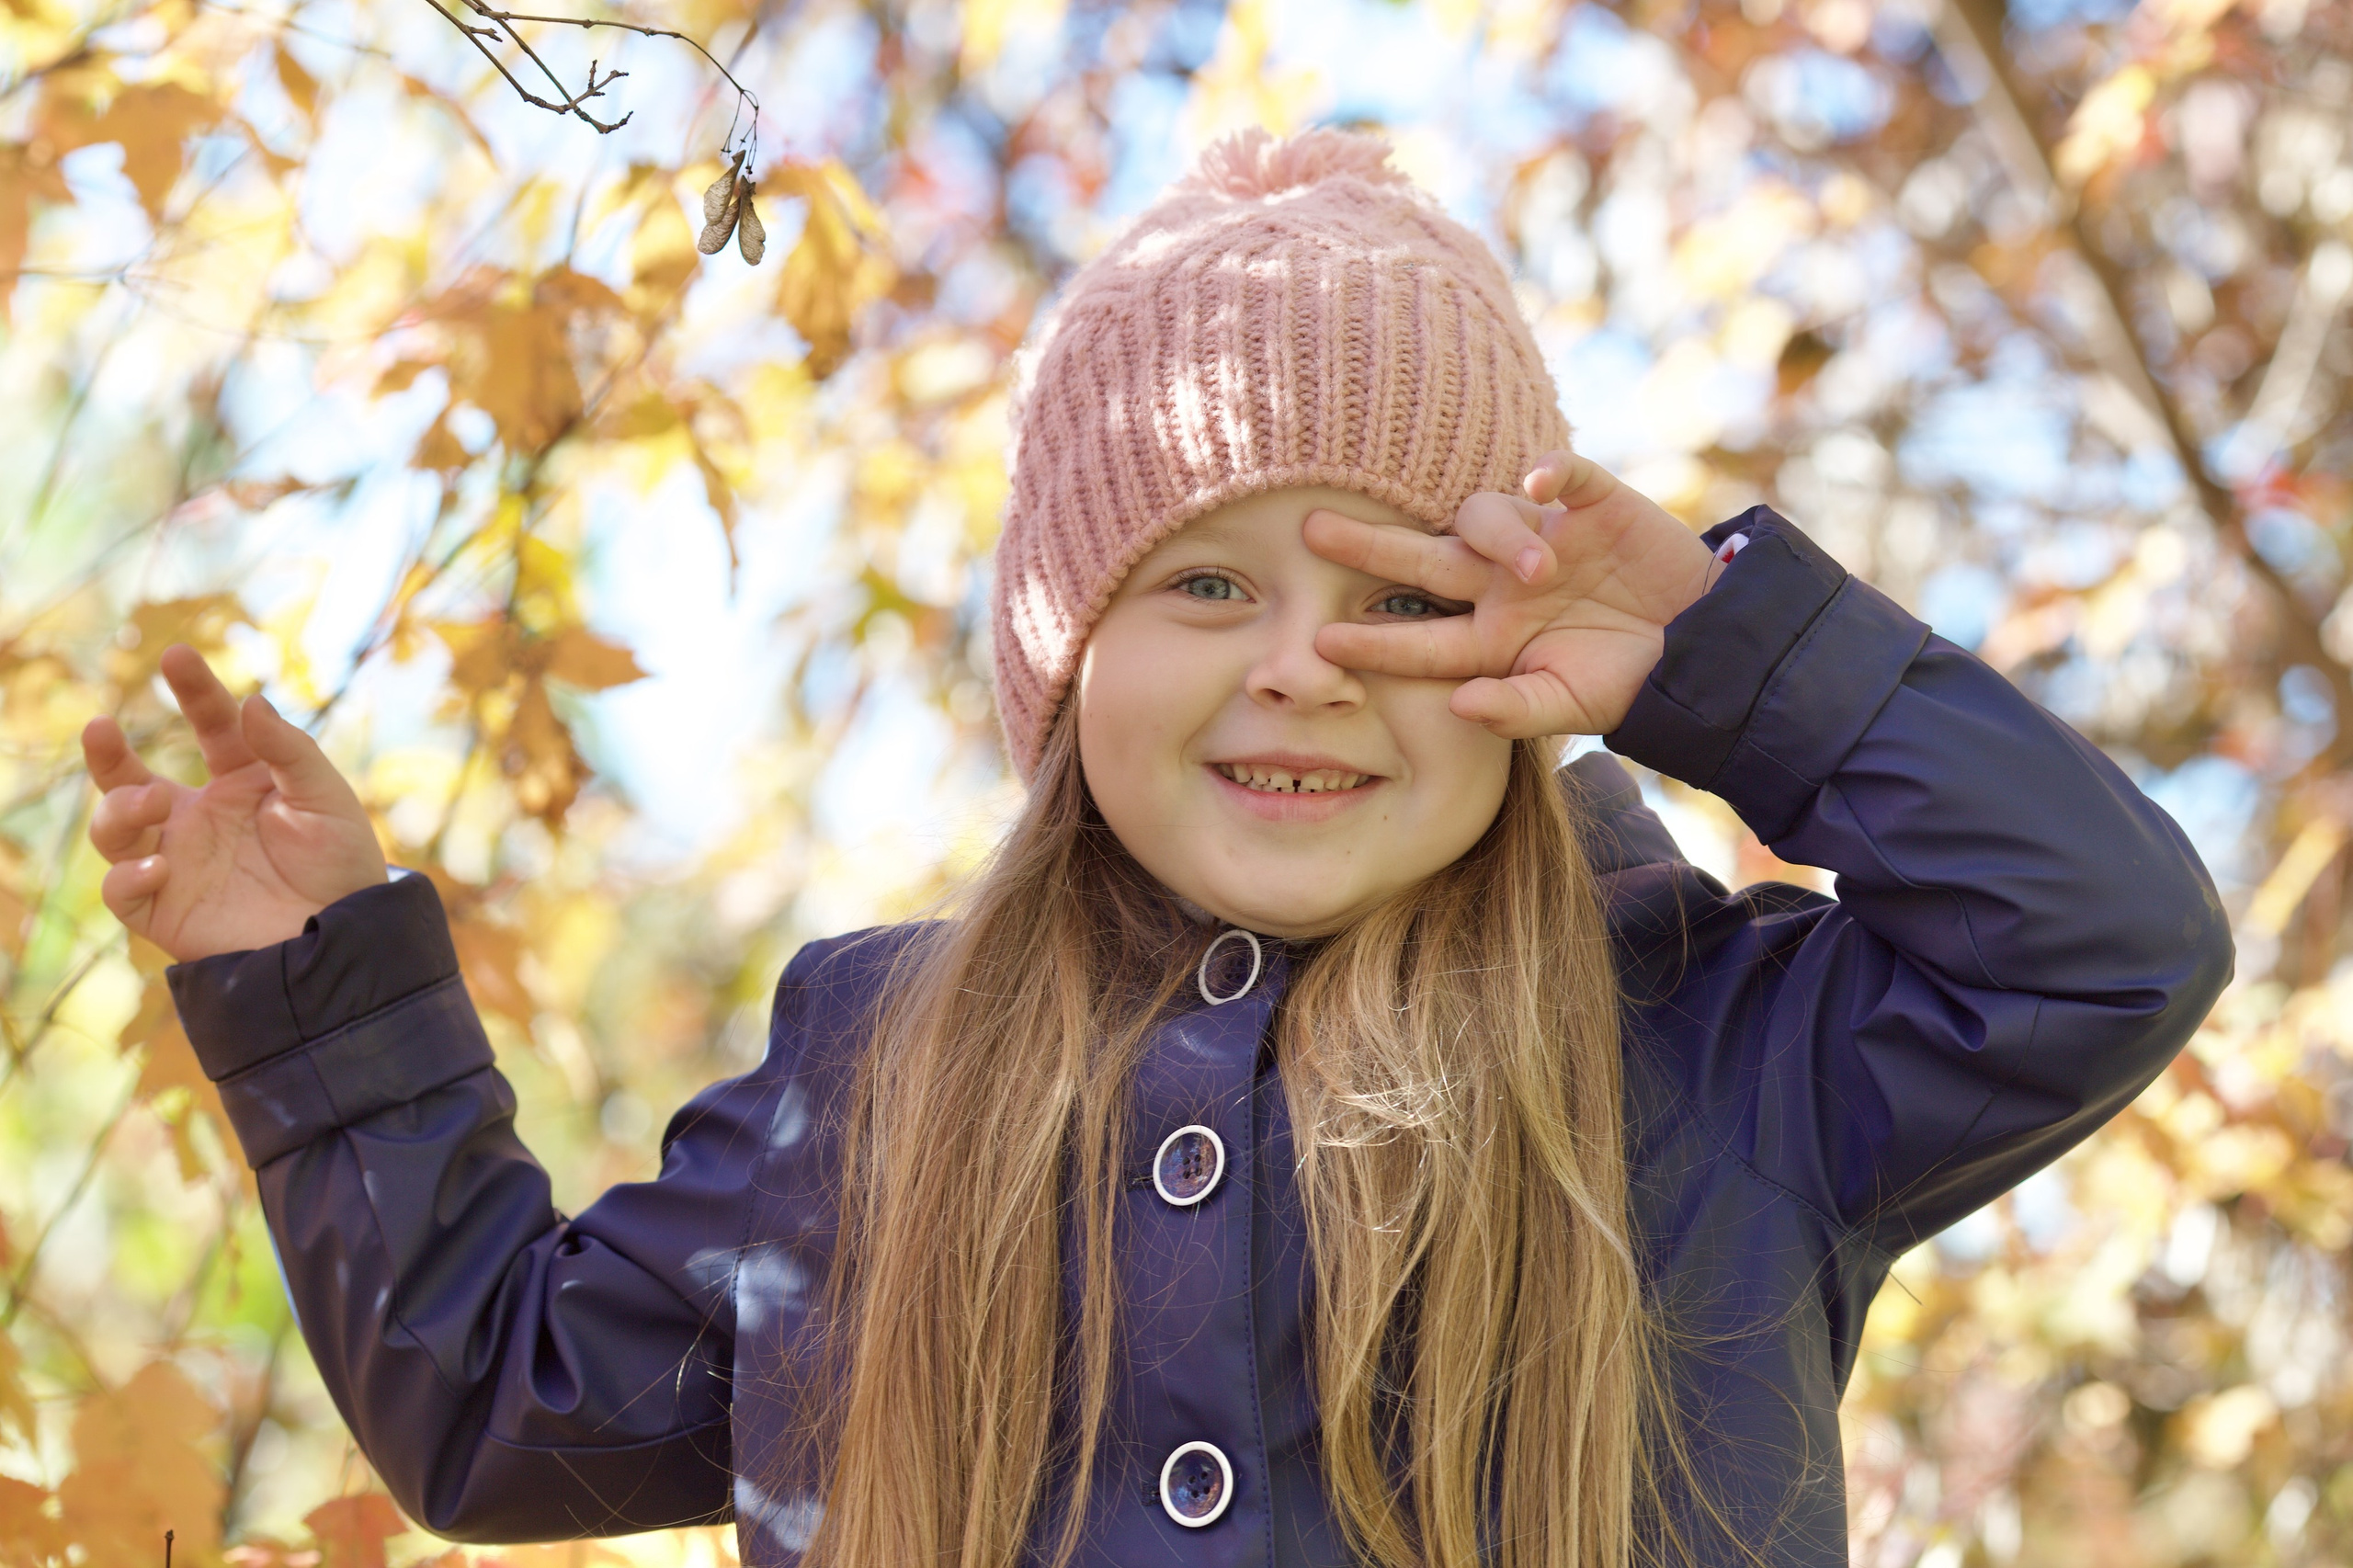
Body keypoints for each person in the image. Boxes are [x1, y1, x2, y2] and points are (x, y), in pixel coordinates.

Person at [79, 127, 2231, 1568]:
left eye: (1398, 597)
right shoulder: (876, 1076)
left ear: (1527, 658)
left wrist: (1727, 662)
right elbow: (489, 1400)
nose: (1301, 664)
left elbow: (2099, 944)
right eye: (1201, 586)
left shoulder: (1707, 1054)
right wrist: (326, 1002)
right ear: (1058, 657)